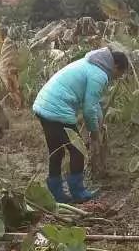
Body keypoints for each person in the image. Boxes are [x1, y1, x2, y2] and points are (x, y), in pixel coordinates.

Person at [32, 46, 129, 202]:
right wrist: (94, 134)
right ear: (116, 66)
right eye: (121, 73)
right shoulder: (100, 75)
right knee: (78, 150)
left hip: (43, 105)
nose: (119, 77)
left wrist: (100, 120)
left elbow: (93, 102)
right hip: (57, 109)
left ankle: (56, 193)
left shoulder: (90, 64)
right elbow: (89, 109)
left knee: (56, 151)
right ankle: (78, 192)